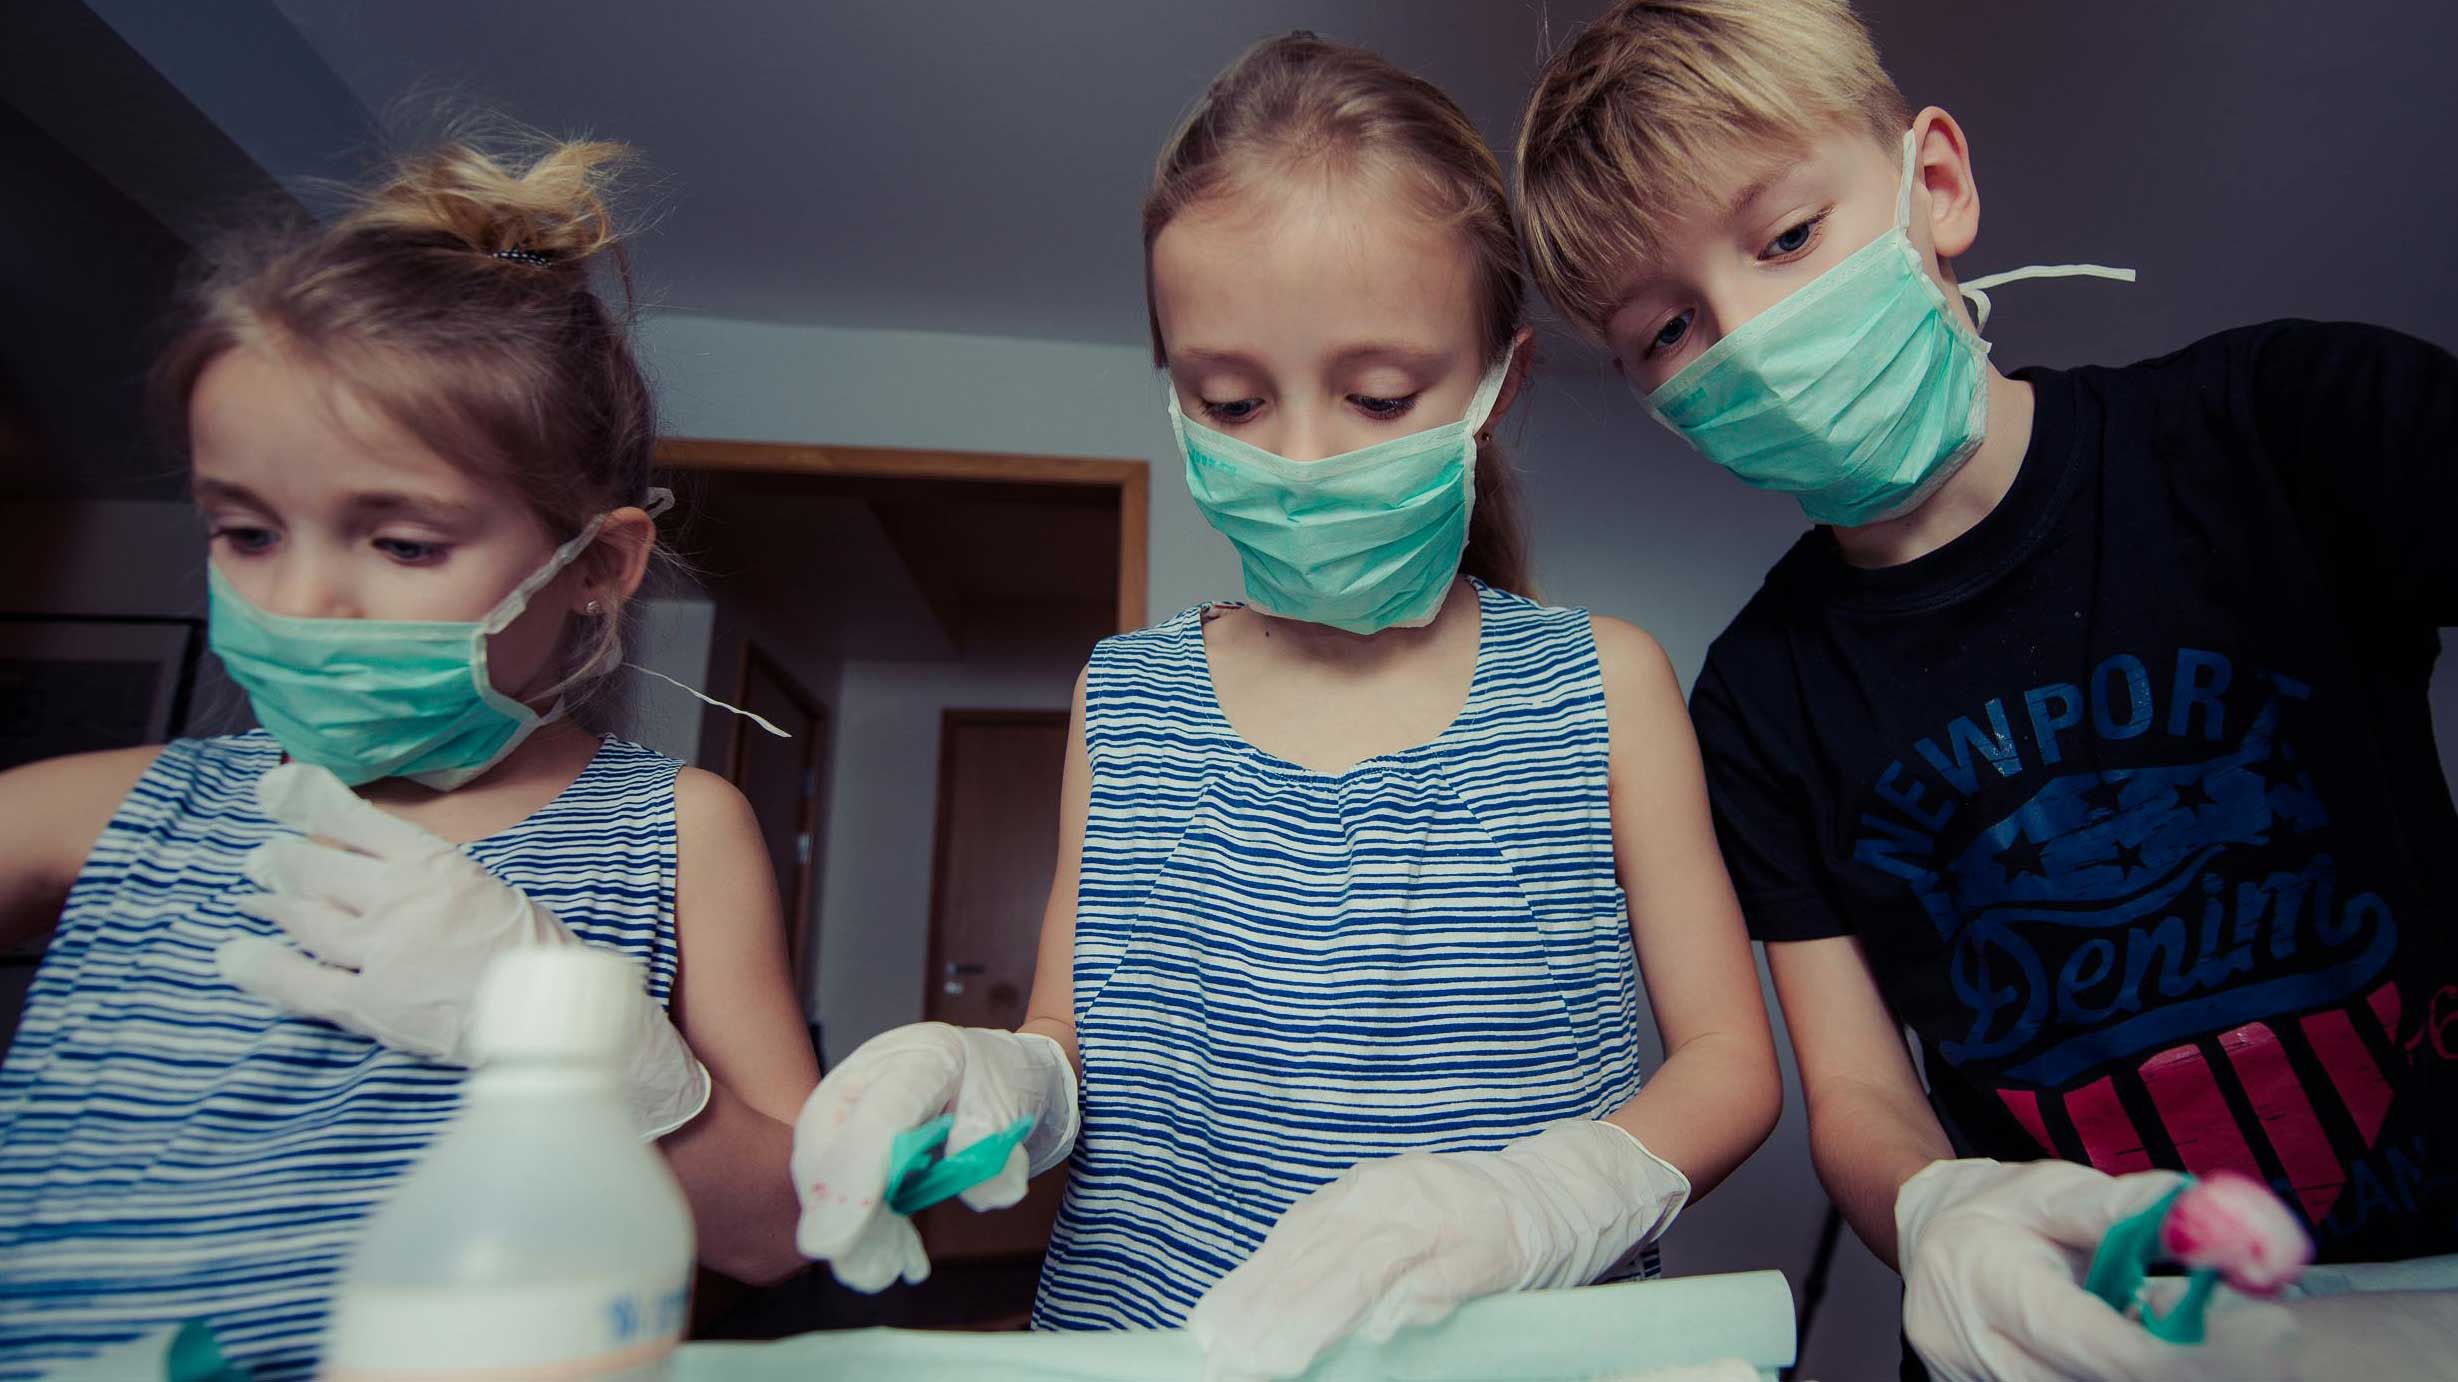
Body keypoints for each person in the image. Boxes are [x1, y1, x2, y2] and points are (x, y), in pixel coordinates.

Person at [790, 31, 1781, 1382]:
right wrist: (998, 1082)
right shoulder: (1125, 696)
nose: (1301, 457)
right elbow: (1067, 1031)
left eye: (1378, 396)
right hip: (1154, 1350)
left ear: (1501, 382)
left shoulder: (1599, 685)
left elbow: (1728, 1061)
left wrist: (1546, 1199)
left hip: (1517, 1353)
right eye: (1232, 399)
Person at [1515, 2, 2458, 1378]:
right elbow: (1852, 1087)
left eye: (1786, 238)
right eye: (1667, 329)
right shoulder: (1757, 705)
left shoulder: (2285, 427)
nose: (1751, 337)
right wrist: (1941, 1209)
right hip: (2078, 1329)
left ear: (1933, 183)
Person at [0, 135, 816, 1378]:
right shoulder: (107, 811)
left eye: (403, 543)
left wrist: (601, 1062)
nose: (305, 599)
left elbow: (787, 1230)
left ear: (596, 566)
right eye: (246, 530)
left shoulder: (676, 828)